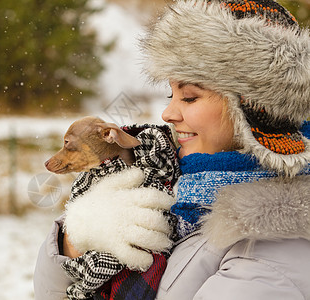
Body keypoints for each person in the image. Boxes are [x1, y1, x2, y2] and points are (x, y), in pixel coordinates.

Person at [33, 0, 310, 299]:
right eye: (170, 93)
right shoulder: (175, 192)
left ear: (256, 107)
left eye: (189, 97)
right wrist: (74, 241)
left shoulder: (270, 253)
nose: (167, 114)